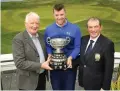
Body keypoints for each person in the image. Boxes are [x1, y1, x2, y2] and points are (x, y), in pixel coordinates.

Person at [44, 3, 81, 90]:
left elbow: (77, 47)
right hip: (54, 65)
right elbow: (47, 45)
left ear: (65, 13)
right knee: (56, 88)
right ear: (53, 15)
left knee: (69, 88)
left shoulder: (75, 28)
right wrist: (49, 54)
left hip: (69, 66)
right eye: (57, 15)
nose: (59, 17)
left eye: (61, 14)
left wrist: (71, 57)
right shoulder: (48, 29)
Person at [12, 12, 52, 90]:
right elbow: (19, 63)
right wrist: (40, 65)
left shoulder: (42, 37)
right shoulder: (18, 39)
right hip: (27, 82)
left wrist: (52, 57)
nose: (35, 26)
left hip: (41, 77)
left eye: (37, 23)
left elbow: (45, 54)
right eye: (32, 23)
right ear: (25, 24)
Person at [78, 17, 114, 90]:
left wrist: (105, 88)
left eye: (96, 27)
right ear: (87, 28)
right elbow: (82, 60)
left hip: (98, 85)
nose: (93, 30)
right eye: (90, 27)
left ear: (100, 27)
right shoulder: (83, 40)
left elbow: (109, 69)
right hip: (84, 82)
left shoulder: (108, 44)